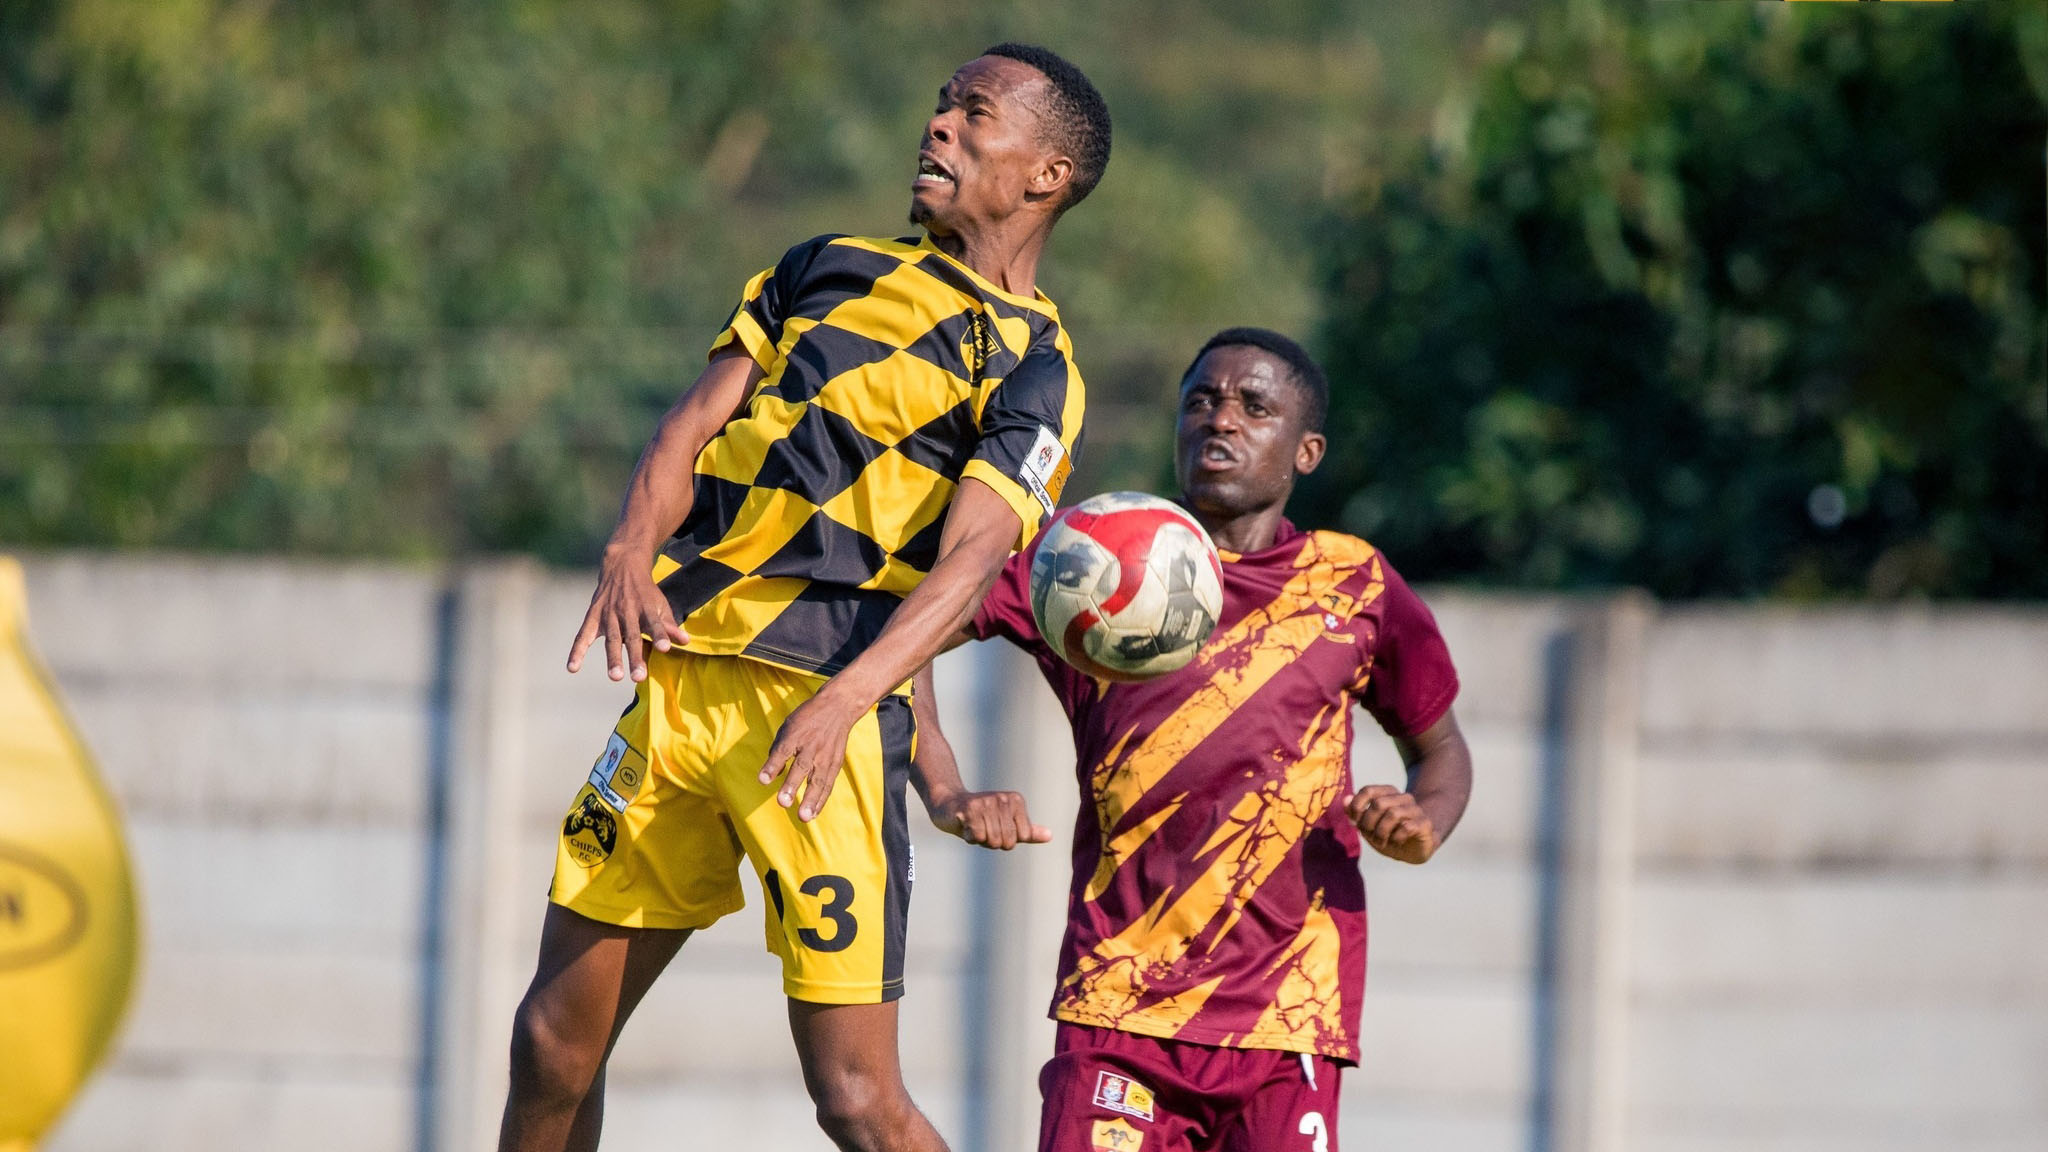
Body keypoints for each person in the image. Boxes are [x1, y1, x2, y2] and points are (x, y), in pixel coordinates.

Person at [500, 45, 1112, 1152]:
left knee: (856, 1103)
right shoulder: (820, 265)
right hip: (682, 688)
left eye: (974, 116)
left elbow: (966, 563)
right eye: (939, 108)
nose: (938, 129)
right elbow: (690, 423)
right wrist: (633, 542)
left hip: (824, 727)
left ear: (1045, 178)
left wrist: (862, 712)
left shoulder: (1034, 364)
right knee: (550, 1043)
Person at [912, 328, 1474, 1152]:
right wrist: (945, 786)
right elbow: (911, 631)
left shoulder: (1355, 584)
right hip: (1119, 1005)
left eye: (1254, 405)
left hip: (1290, 1016)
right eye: (1201, 400)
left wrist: (1424, 820)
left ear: (1306, 450)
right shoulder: (1092, 556)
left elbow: (1443, 749)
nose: (1221, 420)